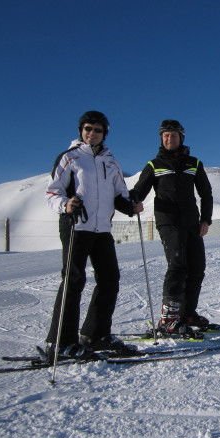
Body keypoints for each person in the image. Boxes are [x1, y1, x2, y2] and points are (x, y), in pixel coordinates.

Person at [45, 110, 143, 358]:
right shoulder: (70, 158)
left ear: (104, 133)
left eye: (97, 130)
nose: (92, 133)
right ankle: (60, 342)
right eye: (88, 128)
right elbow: (53, 192)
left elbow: (119, 194)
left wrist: (131, 206)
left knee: (110, 279)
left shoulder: (111, 162)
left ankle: (95, 335)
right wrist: (65, 204)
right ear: (81, 130)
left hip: (102, 230)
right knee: (73, 280)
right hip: (76, 225)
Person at [130, 119, 217, 335]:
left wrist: (205, 219)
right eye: (166, 135)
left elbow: (206, 193)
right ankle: (169, 320)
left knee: (197, 268)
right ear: (161, 138)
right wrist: (133, 201)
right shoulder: (154, 165)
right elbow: (139, 191)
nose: (170, 139)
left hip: (192, 222)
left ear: (181, 138)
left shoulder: (194, 164)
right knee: (177, 266)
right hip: (168, 221)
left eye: (174, 135)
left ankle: (187, 314)